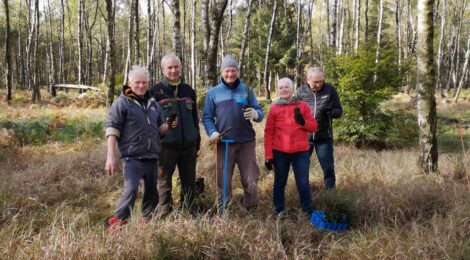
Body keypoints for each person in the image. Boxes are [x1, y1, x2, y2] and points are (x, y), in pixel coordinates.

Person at [104, 65, 177, 233]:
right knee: (130, 190)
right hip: (132, 157)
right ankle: (117, 223)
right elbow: (112, 129)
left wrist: (168, 125)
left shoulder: (153, 104)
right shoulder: (122, 103)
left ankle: (147, 221)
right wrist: (110, 155)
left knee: (152, 193)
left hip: (151, 157)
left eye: (144, 83)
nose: (141, 86)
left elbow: (159, 131)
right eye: (137, 82)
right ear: (129, 83)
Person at [202, 55, 264, 211]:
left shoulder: (247, 90)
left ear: (238, 71)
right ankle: (224, 209)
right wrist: (212, 132)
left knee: (250, 178)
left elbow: (259, 111)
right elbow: (207, 117)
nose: (230, 74)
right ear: (221, 72)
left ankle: (251, 208)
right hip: (224, 142)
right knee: (223, 179)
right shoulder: (213, 93)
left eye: (233, 70)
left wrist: (256, 114)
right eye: (227, 71)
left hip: (246, 141)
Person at [149, 53, 200, 216]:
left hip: (188, 147)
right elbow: (150, 122)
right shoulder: (155, 92)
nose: (173, 70)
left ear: (181, 68)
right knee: (164, 182)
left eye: (176, 67)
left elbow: (194, 118)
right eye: (169, 67)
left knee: (189, 181)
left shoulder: (189, 91)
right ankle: (164, 213)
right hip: (166, 147)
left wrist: (197, 142)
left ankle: (189, 212)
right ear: (163, 69)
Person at [264, 78, 317, 215]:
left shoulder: (303, 106)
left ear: (292, 89)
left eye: (286, 87)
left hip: (301, 152)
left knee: (303, 183)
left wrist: (303, 122)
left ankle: (307, 211)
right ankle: (279, 210)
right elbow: (268, 132)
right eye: (280, 88)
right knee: (280, 182)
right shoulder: (274, 108)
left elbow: (313, 127)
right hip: (280, 152)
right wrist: (268, 155)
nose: (283, 90)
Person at [296, 67, 342, 189]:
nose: (319, 84)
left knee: (328, 168)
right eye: (315, 82)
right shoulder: (300, 91)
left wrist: (332, 111)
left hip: (324, 137)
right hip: (305, 138)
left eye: (321, 81)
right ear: (307, 80)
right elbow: (292, 112)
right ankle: (303, 191)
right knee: (302, 167)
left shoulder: (330, 90)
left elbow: (339, 111)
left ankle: (330, 193)